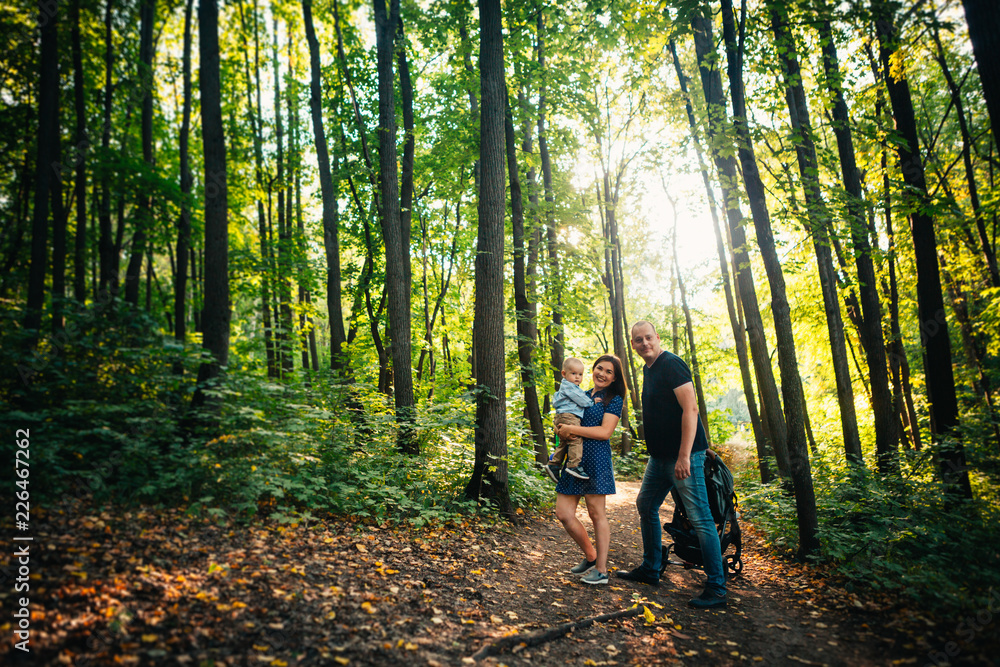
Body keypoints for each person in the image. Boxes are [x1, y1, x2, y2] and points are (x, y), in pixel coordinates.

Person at [616, 321, 727, 609]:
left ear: (658, 338)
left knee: (701, 518)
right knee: (646, 505)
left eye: (648, 338)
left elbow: (691, 409)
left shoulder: (672, 364)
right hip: (660, 457)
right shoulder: (648, 369)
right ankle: (651, 568)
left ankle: (717, 588)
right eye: (638, 340)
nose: (645, 343)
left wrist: (685, 455)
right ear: (633, 345)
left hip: (683, 455)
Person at [553, 354, 627, 586]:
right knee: (563, 513)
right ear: (592, 370)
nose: (602, 374)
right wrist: (561, 432)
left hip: (596, 460)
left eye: (608, 372)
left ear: (614, 378)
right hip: (576, 460)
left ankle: (602, 571)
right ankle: (591, 556)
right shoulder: (582, 395)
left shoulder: (613, 399)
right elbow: (566, 422)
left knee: (596, 514)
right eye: (599, 369)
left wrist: (571, 430)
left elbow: (605, 433)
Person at [546, 357, 595, 482]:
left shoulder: (566, 387)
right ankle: (574, 466)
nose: (577, 377)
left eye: (580, 374)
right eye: (573, 374)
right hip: (570, 416)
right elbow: (581, 400)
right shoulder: (570, 387)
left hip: (563, 416)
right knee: (576, 440)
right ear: (564, 374)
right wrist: (592, 402)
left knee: (564, 442)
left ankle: (554, 464)